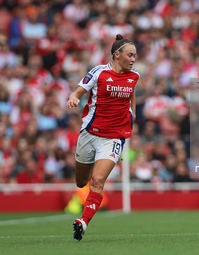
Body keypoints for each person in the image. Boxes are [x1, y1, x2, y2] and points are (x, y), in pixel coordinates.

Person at [66, 34, 138, 241]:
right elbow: (79, 92)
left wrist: (133, 117)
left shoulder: (134, 76)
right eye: (130, 55)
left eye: (135, 56)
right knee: (81, 182)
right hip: (90, 134)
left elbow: (132, 97)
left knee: (97, 181)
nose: (133, 59)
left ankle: (83, 222)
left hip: (114, 138)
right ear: (117, 54)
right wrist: (73, 97)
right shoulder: (98, 72)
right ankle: (85, 208)